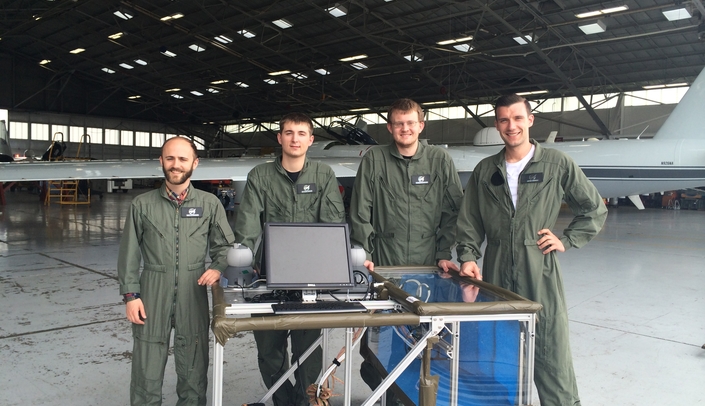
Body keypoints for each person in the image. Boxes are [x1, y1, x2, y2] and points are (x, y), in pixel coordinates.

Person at [455, 94, 608, 406]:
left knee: (550, 347)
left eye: (517, 118)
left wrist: (568, 238)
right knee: (497, 347)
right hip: (496, 268)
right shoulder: (486, 170)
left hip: (538, 267)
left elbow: (594, 208)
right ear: (497, 125)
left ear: (530, 120)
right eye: (503, 120)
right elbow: (469, 220)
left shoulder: (556, 163)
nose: (511, 126)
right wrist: (469, 256)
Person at [349, 98, 464, 404]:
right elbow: (361, 211)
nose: (405, 128)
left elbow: (453, 209)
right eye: (399, 123)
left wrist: (443, 251)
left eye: (410, 123)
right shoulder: (375, 160)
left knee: (427, 338)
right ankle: (388, 393)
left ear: (421, 126)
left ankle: (419, 395)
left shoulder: (439, 160)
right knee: (383, 338)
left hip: (428, 266)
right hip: (386, 263)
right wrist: (365, 254)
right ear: (390, 127)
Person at [233, 112, 345, 406]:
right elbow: (247, 224)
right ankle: (283, 401)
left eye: (301, 133)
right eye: (289, 133)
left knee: (308, 351)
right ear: (280, 138)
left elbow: (333, 224)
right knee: (269, 350)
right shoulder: (260, 176)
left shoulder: (324, 175)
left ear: (311, 140)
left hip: (311, 278)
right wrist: (242, 262)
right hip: (269, 276)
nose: (295, 139)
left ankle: (306, 401)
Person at [118, 136, 236, 406]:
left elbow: (226, 247)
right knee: (146, 371)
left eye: (183, 159)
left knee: (193, 369)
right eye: (170, 158)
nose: (176, 164)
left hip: (192, 293)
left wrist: (217, 268)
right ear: (161, 161)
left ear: (195, 163)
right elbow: (129, 254)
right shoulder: (142, 205)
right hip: (151, 293)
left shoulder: (210, 204)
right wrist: (130, 295)